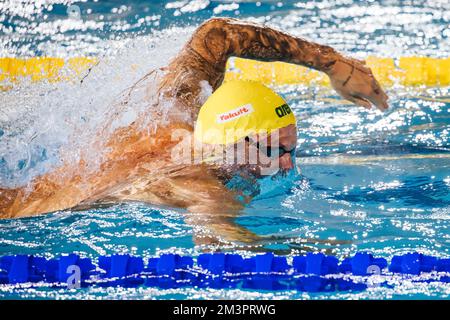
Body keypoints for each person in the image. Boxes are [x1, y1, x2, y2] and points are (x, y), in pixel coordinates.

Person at [0, 18, 389, 245]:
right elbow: (218, 245)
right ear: (235, 143)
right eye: (273, 152)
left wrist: (331, 63)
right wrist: (315, 250)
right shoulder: (202, 186)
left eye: (291, 149)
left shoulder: (174, 114)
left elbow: (216, 35)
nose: (287, 164)